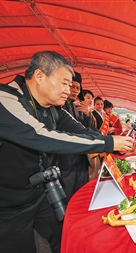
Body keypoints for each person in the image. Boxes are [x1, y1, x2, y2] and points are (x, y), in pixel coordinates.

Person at [0, 50, 133, 253]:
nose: (69, 91)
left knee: (66, 241)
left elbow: (84, 132)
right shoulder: (4, 98)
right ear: (39, 76)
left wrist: (117, 141)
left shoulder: (54, 109)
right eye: (64, 83)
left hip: (41, 192)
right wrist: (108, 143)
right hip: (5, 204)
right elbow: (40, 136)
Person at [58, 72, 93, 201]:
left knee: (81, 192)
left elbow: (86, 129)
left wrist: (88, 115)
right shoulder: (56, 106)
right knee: (67, 193)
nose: (75, 91)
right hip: (66, 160)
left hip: (81, 156)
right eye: (72, 86)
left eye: (78, 88)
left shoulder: (75, 107)